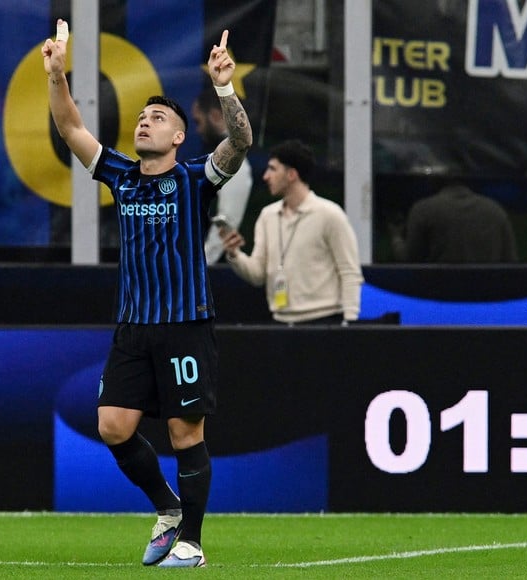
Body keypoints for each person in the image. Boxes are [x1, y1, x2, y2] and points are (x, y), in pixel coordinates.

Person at [42, 21, 251, 567]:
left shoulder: (195, 177)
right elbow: (70, 129)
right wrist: (57, 76)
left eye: (158, 118)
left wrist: (225, 88)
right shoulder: (121, 174)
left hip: (185, 321)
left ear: (178, 136)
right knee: (113, 426)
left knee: (185, 433)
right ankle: (168, 508)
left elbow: (242, 142)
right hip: (134, 326)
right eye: (141, 116)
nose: (144, 121)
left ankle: (193, 544)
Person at [221, 139, 363, 325]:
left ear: (291, 174)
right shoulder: (267, 216)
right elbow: (257, 275)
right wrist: (234, 254)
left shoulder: (330, 214)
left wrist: (350, 322)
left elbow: (350, 272)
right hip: (280, 321)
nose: (265, 176)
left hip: (324, 322)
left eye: (272, 169)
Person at [192, 86, 253, 264]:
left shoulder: (235, 160)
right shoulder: (220, 157)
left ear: (215, 115)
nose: (198, 130)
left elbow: (226, 222)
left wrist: (203, 263)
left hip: (227, 270)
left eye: (198, 121)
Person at [391, 182, 518, 263]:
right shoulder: (495, 210)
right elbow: (511, 261)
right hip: (485, 296)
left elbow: (410, 259)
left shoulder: (423, 209)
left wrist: (396, 237)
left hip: (438, 296)